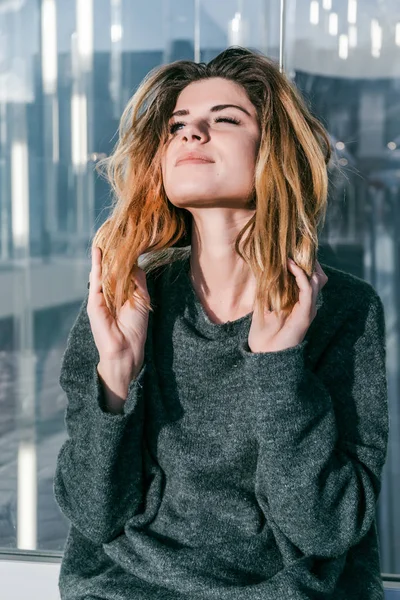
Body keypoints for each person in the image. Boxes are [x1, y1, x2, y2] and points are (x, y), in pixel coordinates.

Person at [53, 47, 389, 599]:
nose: (191, 134)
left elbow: (326, 527)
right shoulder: (126, 301)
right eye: (178, 125)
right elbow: (94, 514)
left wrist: (278, 367)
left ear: (272, 150)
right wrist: (115, 376)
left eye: (224, 120)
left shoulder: (347, 312)